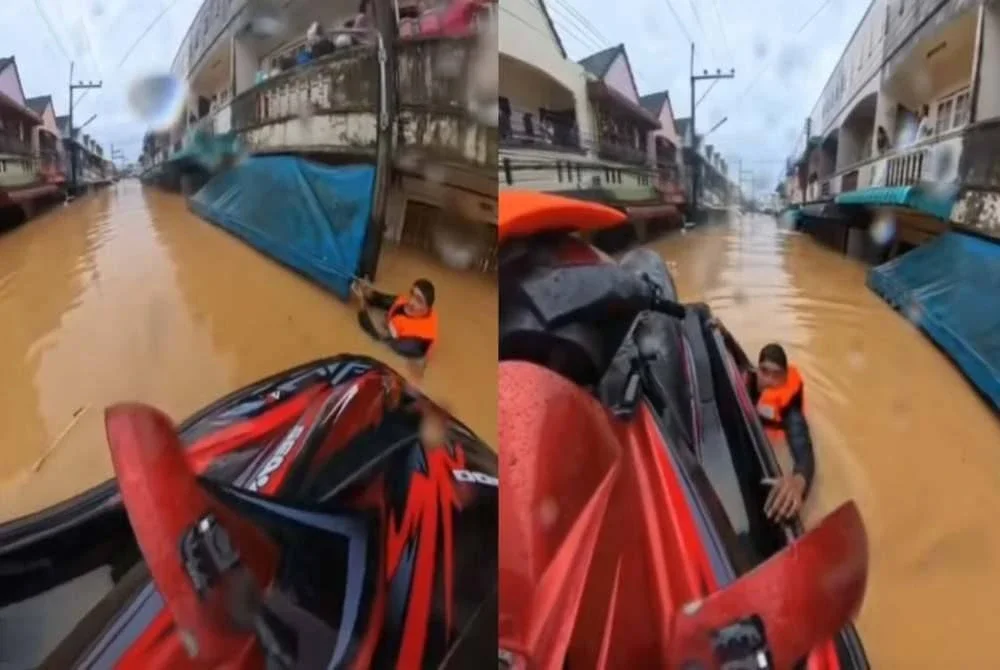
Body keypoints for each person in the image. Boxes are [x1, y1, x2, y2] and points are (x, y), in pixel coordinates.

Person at [715, 325, 815, 522]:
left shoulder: (790, 410)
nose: (768, 380)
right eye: (765, 372)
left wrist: (799, 479)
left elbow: (803, 447)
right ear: (758, 371)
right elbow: (741, 360)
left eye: (776, 375)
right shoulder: (750, 378)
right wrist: (725, 335)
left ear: (786, 377)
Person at [352, 278, 438, 368]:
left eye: (419, 300)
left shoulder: (412, 336)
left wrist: (361, 304)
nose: (411, 301)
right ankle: (369, 293)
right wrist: (370, 293)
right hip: (400, 324)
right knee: (387, 301)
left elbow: (376, 334)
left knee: (381, 334)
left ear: (426, 307)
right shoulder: (416, 307)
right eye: (412, 293)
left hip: (405, 340)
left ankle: (366, 299)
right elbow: (391, 302)